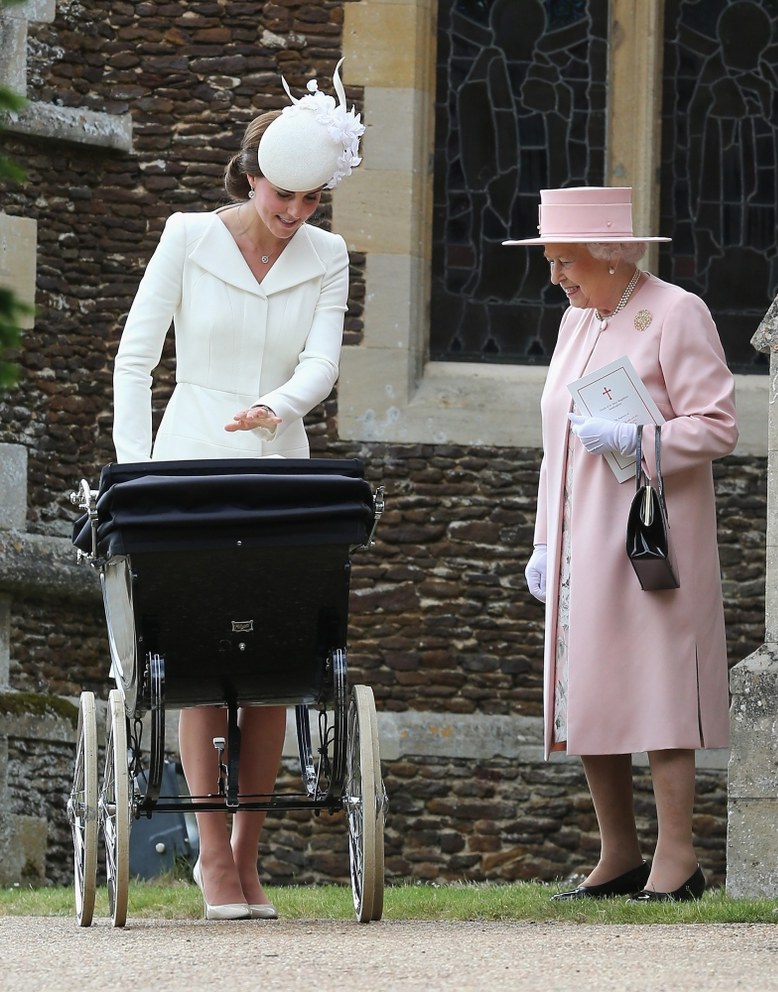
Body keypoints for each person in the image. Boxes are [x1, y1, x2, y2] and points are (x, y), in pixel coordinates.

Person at [112, 62, 364, 920]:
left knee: (270, 663)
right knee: (195, 654)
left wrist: (279, 406)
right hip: (186, 457)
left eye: (310, 201)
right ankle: (210, 855)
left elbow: (322, 361)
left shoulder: (328, 256)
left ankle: (249, 854)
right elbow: (135, 359)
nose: (294, 216)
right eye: (282, 196)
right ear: (252, 175)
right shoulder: (187, 236)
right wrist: (132, 478)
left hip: (277, 459)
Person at [504, 186, 738, 901]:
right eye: (549, 262)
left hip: (650, 536)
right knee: (590, 690)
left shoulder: (675, 312)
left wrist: (637, 439)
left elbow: (718, 426)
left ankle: (678, 860)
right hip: (579, 542)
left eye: (565, 261)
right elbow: (554, 446)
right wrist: (543, 541)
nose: (555, 278)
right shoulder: (577, 320)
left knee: (662, 690)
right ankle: (618, 856)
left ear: (612, 254)